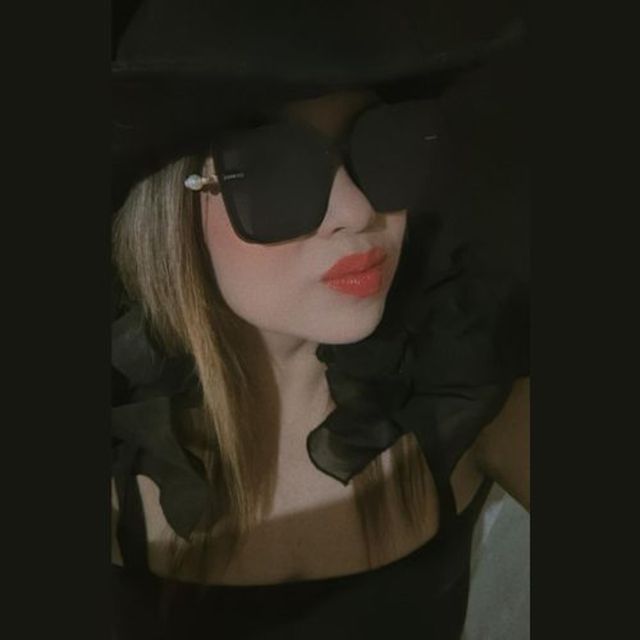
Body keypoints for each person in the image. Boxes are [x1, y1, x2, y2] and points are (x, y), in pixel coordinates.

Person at [111, 1, 530, 638]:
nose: (358, 212)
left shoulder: (465, 406)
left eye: (382, 144)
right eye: (275, 170)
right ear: (169, 217)